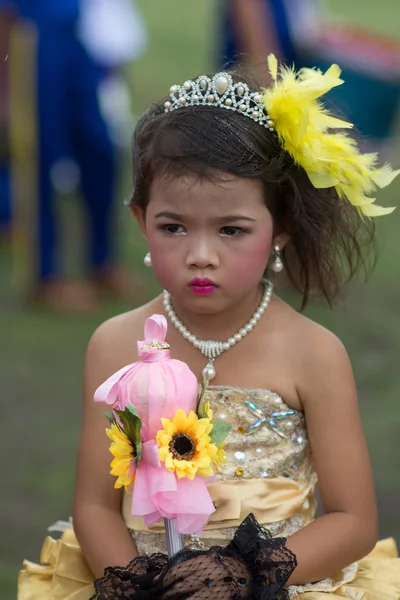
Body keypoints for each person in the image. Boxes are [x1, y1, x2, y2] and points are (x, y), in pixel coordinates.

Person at [18, 56, 400, 599]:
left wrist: (247, 576)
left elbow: (354, 520)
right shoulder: (113, 344)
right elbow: (95, 506)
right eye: (173, 227)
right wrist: (140, 585)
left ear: (281, 230)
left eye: (231, 230)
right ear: (140, 222)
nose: (201, 255)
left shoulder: (313, 353)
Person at [0, 0, 141, 312]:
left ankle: (101, 261)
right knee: (39, 157)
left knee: (100, 148)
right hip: (29, 37)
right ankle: (44, 276)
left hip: (74, 35)